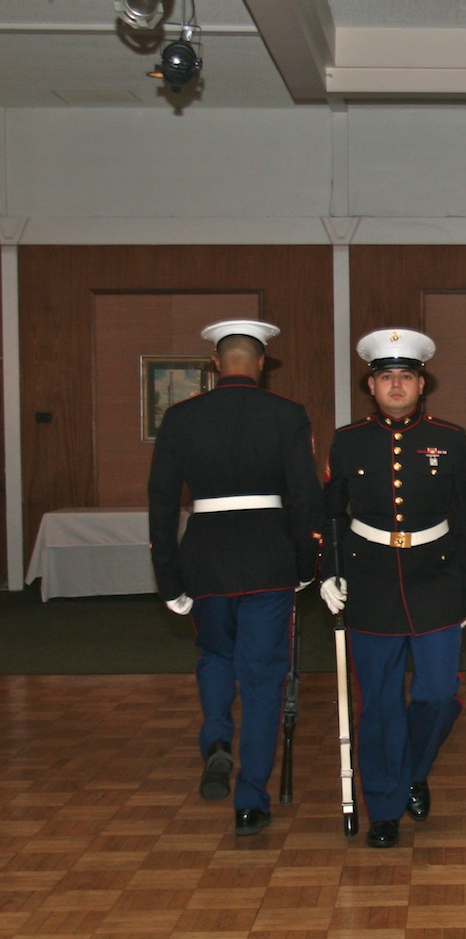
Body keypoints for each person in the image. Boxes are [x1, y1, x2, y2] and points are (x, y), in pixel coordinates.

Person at [148, 319, 323, 836]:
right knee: (265, 677)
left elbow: (161, 501)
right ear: (262, 364)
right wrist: (305, 564)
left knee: (215, 656)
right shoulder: (288, 414)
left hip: (205, 558)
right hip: (269, 558)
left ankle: (218, 740)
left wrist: (168, 575)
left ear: (215, 365)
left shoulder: (180, 417)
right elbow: (307, 498)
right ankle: (250, 801)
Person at [319, 328, 466, 849]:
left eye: (405, 377)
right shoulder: (348, 441)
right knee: (380, 703)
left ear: (421, 382)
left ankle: (414, 768)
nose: (395, 386)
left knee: (437, 691)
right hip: (370, 581)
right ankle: (384, 808)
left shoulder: (451, 440)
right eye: (386, 377)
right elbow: (330, 516)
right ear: (371, 384)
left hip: (436, 578)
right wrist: (327, 572)